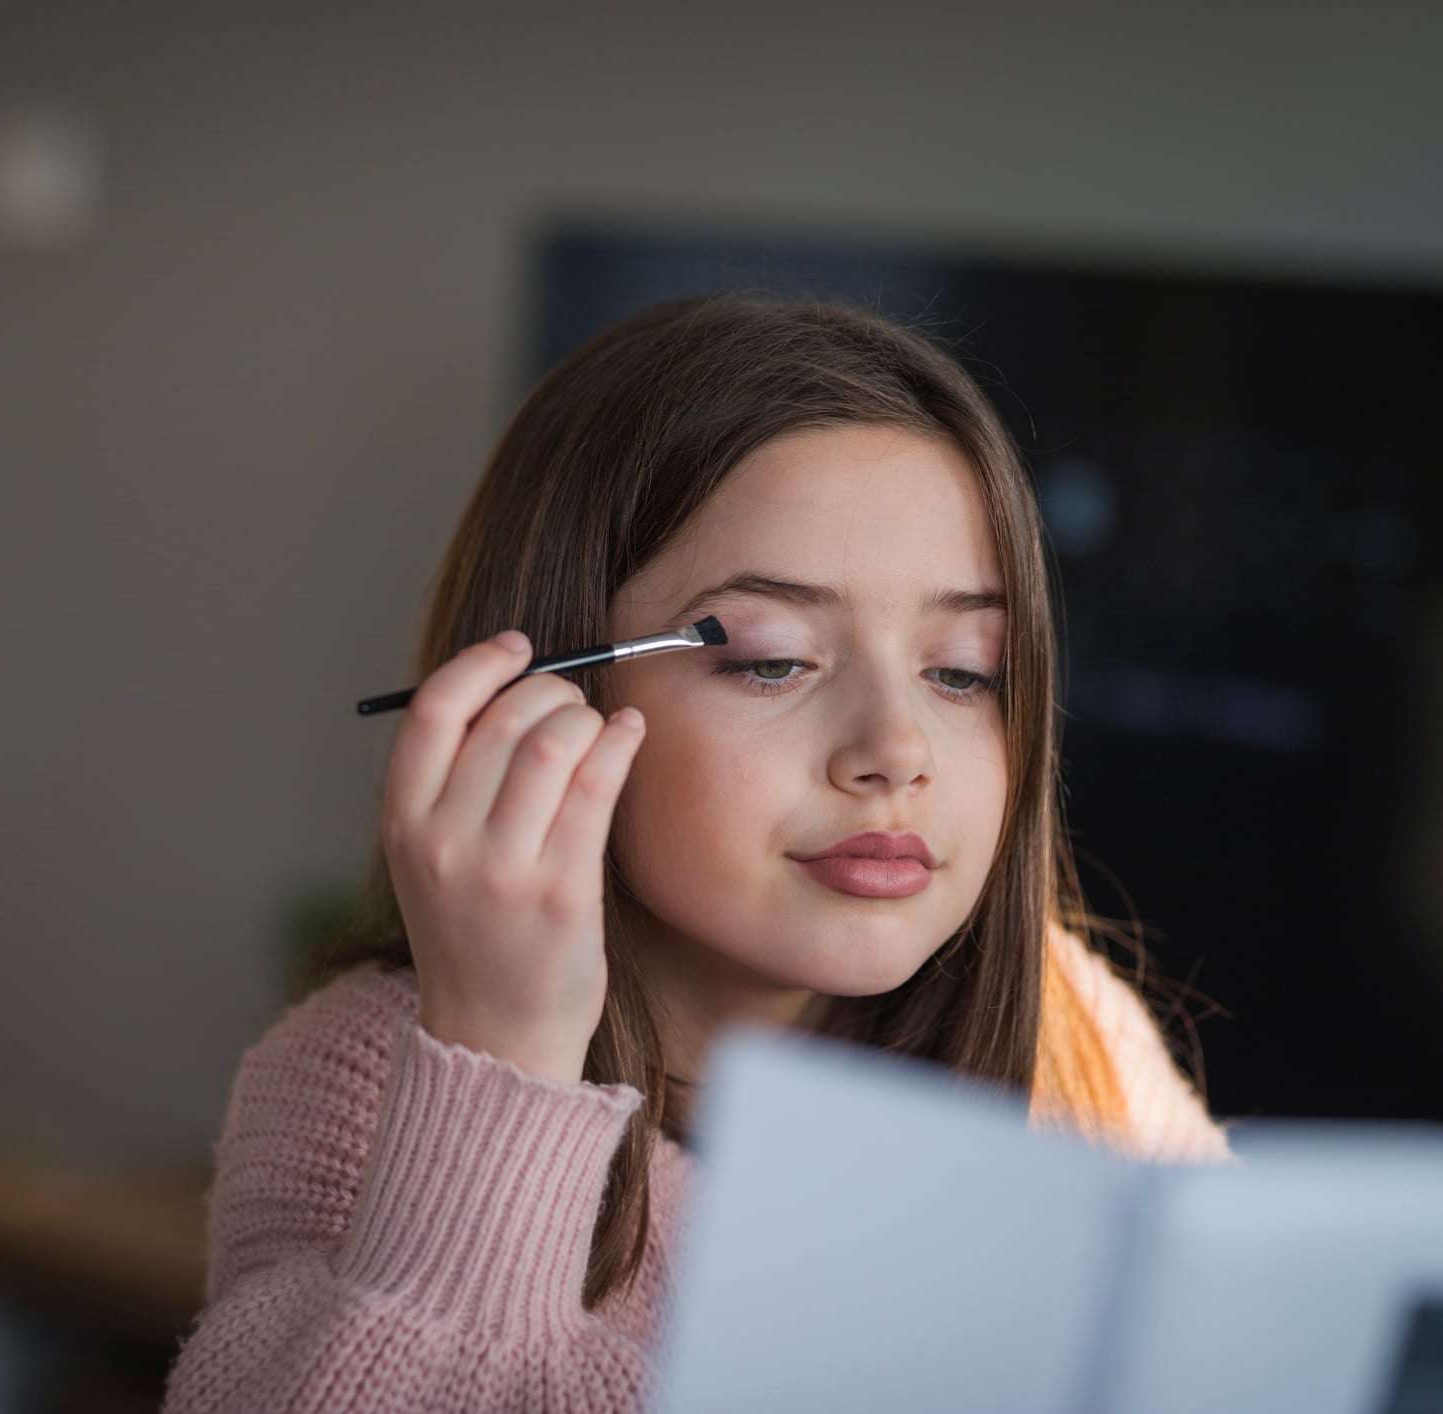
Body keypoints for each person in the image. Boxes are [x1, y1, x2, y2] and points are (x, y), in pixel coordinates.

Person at [160, 294, 1235, 1412]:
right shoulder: (365, 1084)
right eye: (772, 659)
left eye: (962, 668)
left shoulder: (1075, 1039)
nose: (895, 751)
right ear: (548, 700)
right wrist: (504, 1053)